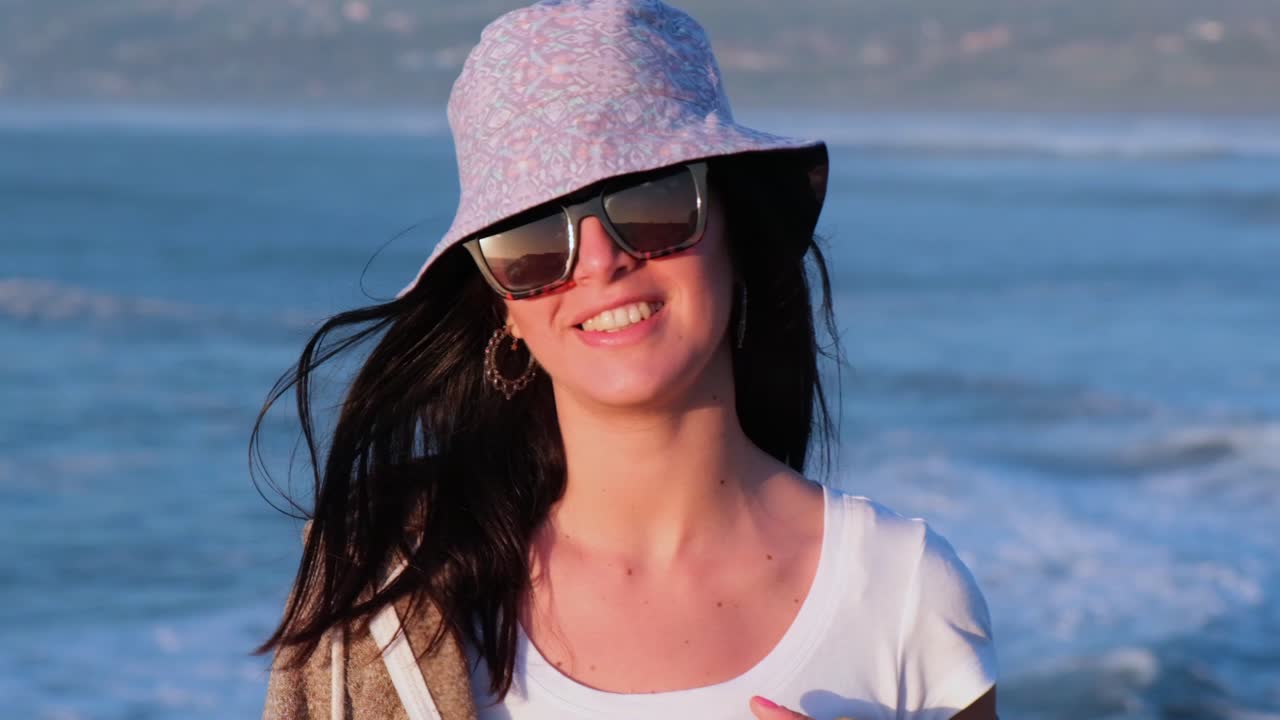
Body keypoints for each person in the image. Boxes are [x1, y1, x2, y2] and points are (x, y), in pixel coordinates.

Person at [253, 1, 998, 719]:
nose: (602, 260)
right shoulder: (379, 604)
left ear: (733, 232)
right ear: (501, 306)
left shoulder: (902, 594)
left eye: (650, 202)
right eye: (534, 240)